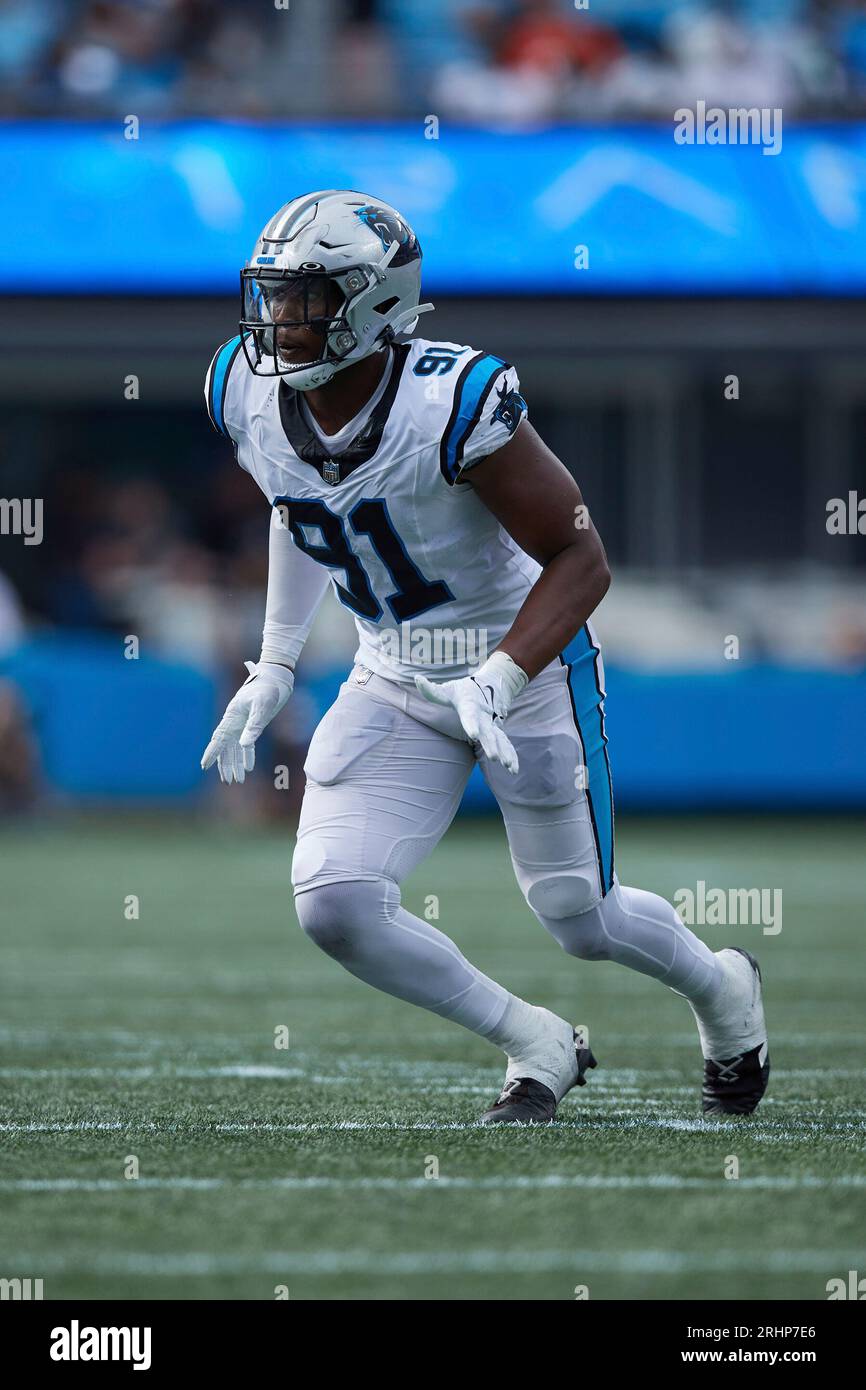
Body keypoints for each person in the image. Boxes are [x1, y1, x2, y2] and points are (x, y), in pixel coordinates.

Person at [202, 190, 769, 1123]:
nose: (278, 321)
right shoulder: (244, 388)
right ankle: (535, 1041)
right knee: (334, 902)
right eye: (271, 295)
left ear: (374, 302)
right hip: (391, 669)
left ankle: (723, 993)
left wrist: (498, 676)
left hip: (525, 666)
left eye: (305, 298)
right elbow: (300, 508)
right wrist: (275, 662)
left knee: (580, 918)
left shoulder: (452, 400)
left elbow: (582, 557)